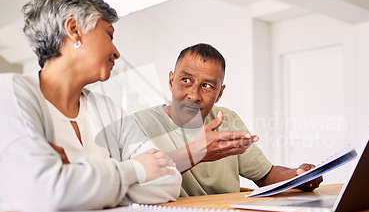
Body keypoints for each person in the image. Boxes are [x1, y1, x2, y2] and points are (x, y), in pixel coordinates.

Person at [0, 0, 181, 212]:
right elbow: (44, 193)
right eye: (109, 35)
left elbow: (169, 179)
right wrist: (136, 170)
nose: (116, 52)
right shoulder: (8, 92)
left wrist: (77, 184)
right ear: (74, 30)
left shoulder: (109, 109)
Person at [133, 43, 322, 197]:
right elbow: (137, 183)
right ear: (171, 81)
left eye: (206, 86)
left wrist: (299, 177)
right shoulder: (141, 124)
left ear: (219, 94)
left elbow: (266, 175)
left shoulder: (227, 119)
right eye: (186, 81)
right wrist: (196, 153)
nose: (194, 95)